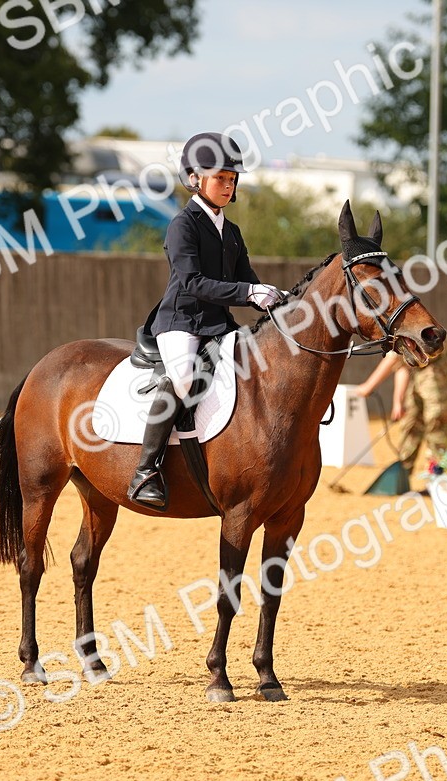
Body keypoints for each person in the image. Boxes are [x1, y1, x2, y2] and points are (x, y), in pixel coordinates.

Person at [128, 132, 283, 509]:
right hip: (180, 320)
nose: (227, 186)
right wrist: (248, 294)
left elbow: (247, 278)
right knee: (182, 378)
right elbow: (192, 282)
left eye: (232, 180)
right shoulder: (183, 225)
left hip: (218, 323)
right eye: (220, 179)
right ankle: (146, 469)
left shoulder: (231, 232)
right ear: (196, 178)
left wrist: (277, 302)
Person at [354, 338, 447, 478]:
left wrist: (368, 386)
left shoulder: (409, 325)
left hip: (438, 371)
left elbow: (393, 359)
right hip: (418, 372)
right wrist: (398, 402)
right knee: (411, 422)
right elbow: (401, 366)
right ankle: (402, 475)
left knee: (437, 422)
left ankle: (437, 478)